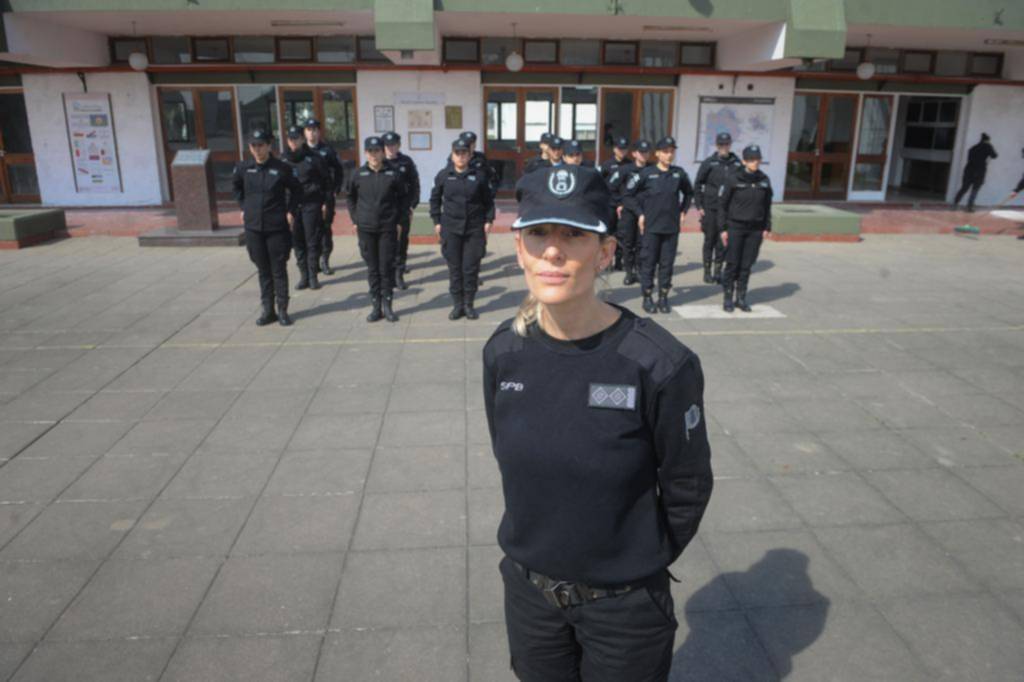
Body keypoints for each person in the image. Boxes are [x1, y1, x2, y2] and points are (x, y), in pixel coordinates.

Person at [484, 163, 713, 682]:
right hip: (530, 599)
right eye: (539, 233)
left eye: (574, 235)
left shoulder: (658, 364)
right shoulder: (504, 352)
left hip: (624, 611)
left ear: (605, 252)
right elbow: (509, 454)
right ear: (519, 248)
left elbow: (688, 484)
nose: (553, 251)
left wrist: (632, 561)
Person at [232, 128, 302, 326]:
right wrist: (243, 206)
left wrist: (291, 212)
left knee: (278, 269)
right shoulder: (244, 168)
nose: (257, 149)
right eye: (253, 146)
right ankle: (267, 310)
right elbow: (236, 187)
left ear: (269, 146)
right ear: (249, 147)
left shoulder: (282, 168)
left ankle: (282, 310)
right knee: (263, 270)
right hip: (254, 228)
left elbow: (297, 191)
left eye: (261, 145)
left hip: (276, 227)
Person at [431, 137, 495, 320]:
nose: (460, 157)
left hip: (474, 229)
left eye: (464, 153)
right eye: (457, 153)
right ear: (452, 155)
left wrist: (489, 220)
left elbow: (488, 201)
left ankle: (469, 305)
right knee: (455, 269)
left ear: (469, 155)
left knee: (471, 268)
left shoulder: (479, 176)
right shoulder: (444, 175)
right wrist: (436, 221)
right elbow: (435, 200)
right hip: (451, 229)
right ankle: (457, 305)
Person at [347, 135, 407, 323]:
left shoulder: (393, 173)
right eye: (370, 151)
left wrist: (398, 222)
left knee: (386, 268)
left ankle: (388, 305)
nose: (374, 155)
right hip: (366, 229)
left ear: (382, 152)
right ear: (365, 153)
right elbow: (350, 198)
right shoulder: (358, 174)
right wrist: (356, 219)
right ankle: (375, 307)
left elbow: (403, 199)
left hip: (387, 228)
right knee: (372, 269)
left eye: (377, 151)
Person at [632, 136, 693, 314]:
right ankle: (648, 296)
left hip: (671, 228)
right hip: (651, 227)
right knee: (649, 263)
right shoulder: (646, 174)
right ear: (657, 154)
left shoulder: (679, 173)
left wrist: (683, 211)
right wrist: (640, 213)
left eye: (672, 151)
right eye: (665, 152)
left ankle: (663, 297)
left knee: (667, 264)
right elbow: (629, 194)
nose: (669, 155)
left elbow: (689, 193)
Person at [718, 144, 772, 313]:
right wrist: (723, 228)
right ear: (744, 161)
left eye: (756, 159)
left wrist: (766, 226)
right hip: (735, 227)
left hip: (755, 229)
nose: (754, 163)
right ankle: (728, 297)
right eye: (750, 160)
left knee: (746, 265)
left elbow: (767, 204)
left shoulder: (764, 180)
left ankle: (741, 298)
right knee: (732, 264)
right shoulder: (734, 179)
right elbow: (722, 205)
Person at [283, 125, 328, 291]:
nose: (293, 142)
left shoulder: (314, 158)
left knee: (312, 241)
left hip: (311, 204)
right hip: (292, 208)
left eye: (296, 138)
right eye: (290, 139)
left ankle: (313, 276)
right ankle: (303, 276)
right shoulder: (283, 160)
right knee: (297, 242)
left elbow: (325, 182)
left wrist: (324, 203)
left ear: (302, 140)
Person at [694, 131, 742, 284]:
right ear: (716, 145)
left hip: (728, 209)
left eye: (726, 144)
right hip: (710, 207)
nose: (724, 147)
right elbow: (697, 184)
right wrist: (699, 205)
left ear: (730, 144)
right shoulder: (709, 162)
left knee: (723, 241)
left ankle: (717, 271)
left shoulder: (736, 163)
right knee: (710, 240)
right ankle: (707, 271)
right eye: (721, 144)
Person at [303, 118, 345, 274]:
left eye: (314, 129)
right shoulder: (300, 151)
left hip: (325, 196)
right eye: (309, 129)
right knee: (309, 230)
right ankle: (311, 262)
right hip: (307, 198)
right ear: (304, 132)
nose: (312, 132)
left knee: (325, 228)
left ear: (319, 132)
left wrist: (336, 189)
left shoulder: (327, 150)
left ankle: (325, 260)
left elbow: (339, 170)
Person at [382, 131, 421, 290]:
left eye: (394, 145)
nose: (391, 148)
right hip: (384, 210)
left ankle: (399, 273)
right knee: (386, 242)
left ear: (399, 145)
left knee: (401, 241)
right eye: (388, 145)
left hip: (403, 209)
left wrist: (412, 205)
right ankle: (387, 274)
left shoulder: (406, 162)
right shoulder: (379, 162)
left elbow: (415, 185)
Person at [617, 139, 652, 286]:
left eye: (646, 152)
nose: (644, 155)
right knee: (628, 242)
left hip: (646, 211)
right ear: (635, 153)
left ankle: (639, 271)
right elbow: (614, 187)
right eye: (641, 152)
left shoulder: (652, 169)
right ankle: (629, 272)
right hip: (630, 212)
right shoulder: (626, 169)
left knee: (642, 243)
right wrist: (619, 203)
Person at [598, 136, 632, 272]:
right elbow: (601, 184)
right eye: (619, 149)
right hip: (610, 204)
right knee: (608, 233)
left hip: (625, 204)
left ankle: (619, 260)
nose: (622, 152)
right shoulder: (607, 165)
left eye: (624, 149)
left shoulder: (630, 164)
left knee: (622, 233)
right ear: (614, 149)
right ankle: (608, 261)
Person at [953, 133, 998, 212]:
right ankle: (969, 207)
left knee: (964, 188)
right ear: (987, 140)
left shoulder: (973, 148)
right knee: (975, 189)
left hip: (969, 170)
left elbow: (970, 159)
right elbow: (994, 156)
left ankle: (955, 203)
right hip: (979, 171)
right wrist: (990, 146)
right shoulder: (987, 146)